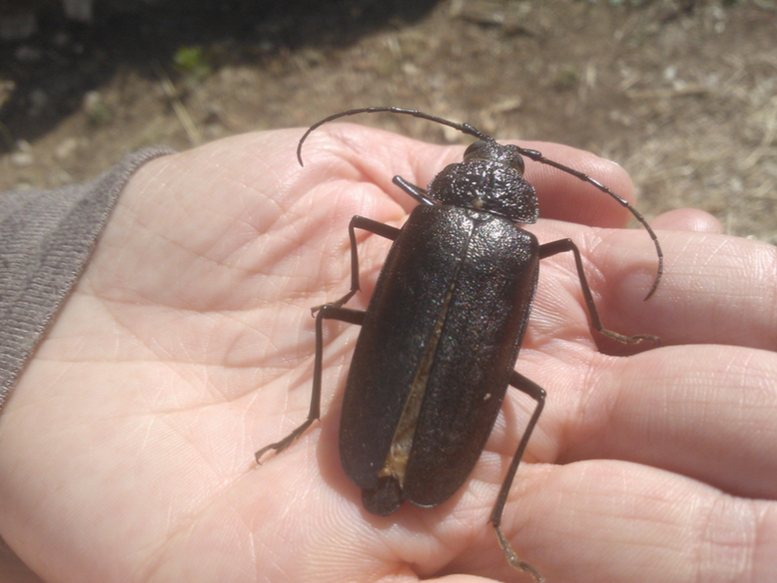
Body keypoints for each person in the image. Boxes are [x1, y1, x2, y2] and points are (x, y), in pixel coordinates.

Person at [0, 124, 774, 583]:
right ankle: (494, 518)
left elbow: (362, 237)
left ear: (453, 172)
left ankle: (318, 423)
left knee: (334, 317)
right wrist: (611, 332)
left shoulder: (421, 216)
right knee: (529, 395)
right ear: (518, 198)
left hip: (398, 389)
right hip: (442, 411)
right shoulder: (525, 247)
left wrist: (355, 284)